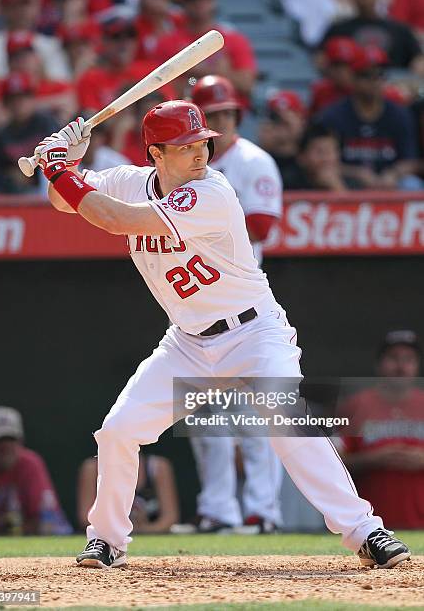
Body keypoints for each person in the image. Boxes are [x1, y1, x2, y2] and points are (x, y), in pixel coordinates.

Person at [34, 101, 410, 570]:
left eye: (202, 143)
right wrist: (62, 164)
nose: (199, 153)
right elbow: (64, 201)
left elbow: (116, 220)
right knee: (117, 431)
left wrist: (56, 167)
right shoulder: (128, 181)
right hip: (188, 343)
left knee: (289, 423)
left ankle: (366, 531)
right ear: (155, 153)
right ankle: (107, 540)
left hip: (254, 333)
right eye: (185, 146)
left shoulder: (211, 192)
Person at [189, 75, 283, 533]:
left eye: (227, 113)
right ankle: (217, 510)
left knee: (256, 415)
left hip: (245, 302)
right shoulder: (186, 169)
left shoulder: (253, 161)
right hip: (200, 305)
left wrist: (200, 227)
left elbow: (262, 225)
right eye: (213, 115)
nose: (222, 122)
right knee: (209, 416)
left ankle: (262, 511)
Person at [338, 330, 424, 529]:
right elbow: (332, 463)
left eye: (408, 359)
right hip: (370, 523)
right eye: (393, 358)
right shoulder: (357, 405)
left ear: (417, 365)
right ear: (379, 364)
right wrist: (373, 458)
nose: (401, 366)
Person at [317, 46, 420, 189]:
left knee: (411, 184)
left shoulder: (400, 114)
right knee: (328, 177)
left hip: (391, 183)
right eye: (366, 75)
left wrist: (394, 173)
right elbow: (323, 162)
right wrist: (357, 173)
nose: (374, 82)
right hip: (349, 182)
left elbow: (412, 160)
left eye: (380, 75)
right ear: (353, 77)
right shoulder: (333, 115)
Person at [0, 406, 71, 535]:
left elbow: (45, 517)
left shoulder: (30, 463)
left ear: (21, 442)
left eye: (11, 439)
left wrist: (10, 523)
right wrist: (1, 523)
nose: (5, 447)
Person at [156, 0, 257, 107]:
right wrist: (220, 73)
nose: (200, 3)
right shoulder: (167, 43)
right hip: (183, 114)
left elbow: (247, 84)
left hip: (227, 113)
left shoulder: (234, 39)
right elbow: (161, 89)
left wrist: (192, 69)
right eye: (194, 1)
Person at [0, 71, 59, 194]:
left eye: (23, 97)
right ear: (6, 103)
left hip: (49, 189)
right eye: (13, 99)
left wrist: (30, 176)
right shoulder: (3, 135)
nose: (19, 103)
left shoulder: (46, 123)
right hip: (17, 194)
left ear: (32, 99)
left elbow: (58, 157)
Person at [0, 0, 70, 87]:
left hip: (43, 103)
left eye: (26, 3)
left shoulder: (51, 45)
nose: (21, 10)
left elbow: (62, 83)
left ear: (37, 7)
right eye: (14, 4)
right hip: (2, 104)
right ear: (4, 9)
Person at [77, 451, 179, 533]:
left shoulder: (158, 466)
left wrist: (143, 529)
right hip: (109, 540)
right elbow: (86, 519)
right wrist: (118, 531)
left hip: (150, 538)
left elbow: (169, 518)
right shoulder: (93, 468)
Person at [319, 0, 424, 76]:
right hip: (351, 84)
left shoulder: (399, 29)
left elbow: (419, 60)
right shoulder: (339, 29)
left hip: (393, 82)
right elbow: (320, 58)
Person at [284, 123, 363, 191]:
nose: (326, 158)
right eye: (320, 152)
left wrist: (337, 187)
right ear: (301, 157)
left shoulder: (353, 183)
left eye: (331, 151)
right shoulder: (287, 183)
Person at [257, 90, 307, 186]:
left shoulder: (311, 150)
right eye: (276, 118)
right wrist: (263, 147)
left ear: (302, 120)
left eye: (291, 114)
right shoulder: (257, 156)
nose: (281, 125)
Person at [310, 36, 359, 115]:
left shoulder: (366, 90)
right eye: (337, 65)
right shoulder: (320, 91)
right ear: (328, 66)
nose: (342, 72)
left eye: (348, 65)